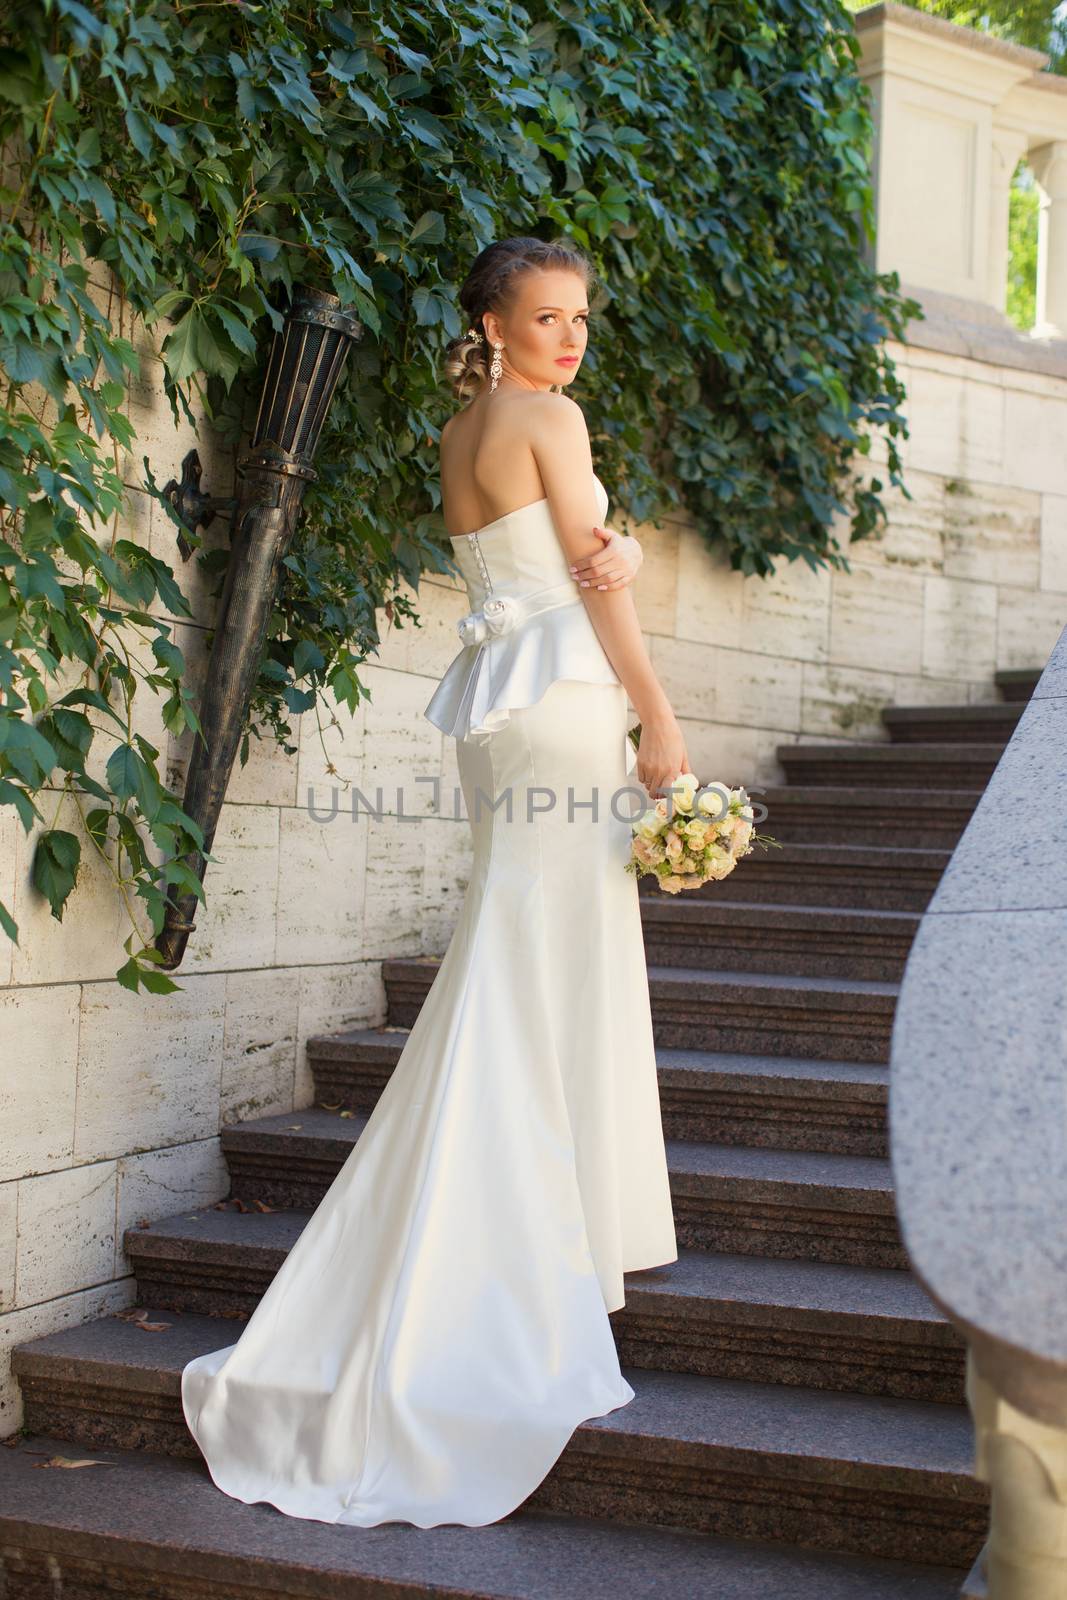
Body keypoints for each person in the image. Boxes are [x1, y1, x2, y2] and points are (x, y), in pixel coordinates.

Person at [180, 235, 682, 1528]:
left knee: (512, 971)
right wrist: (659, 716)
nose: (570, 339)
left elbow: (547, 566)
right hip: (563, 703)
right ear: (495, 324)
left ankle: (509, 1261)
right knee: (530, 978)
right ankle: (507, 1287)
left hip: (502, 718)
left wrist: (611, 562)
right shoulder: (548, 418)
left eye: (580, 318)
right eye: (546, 317)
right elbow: (586, 576)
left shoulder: (465, 430)